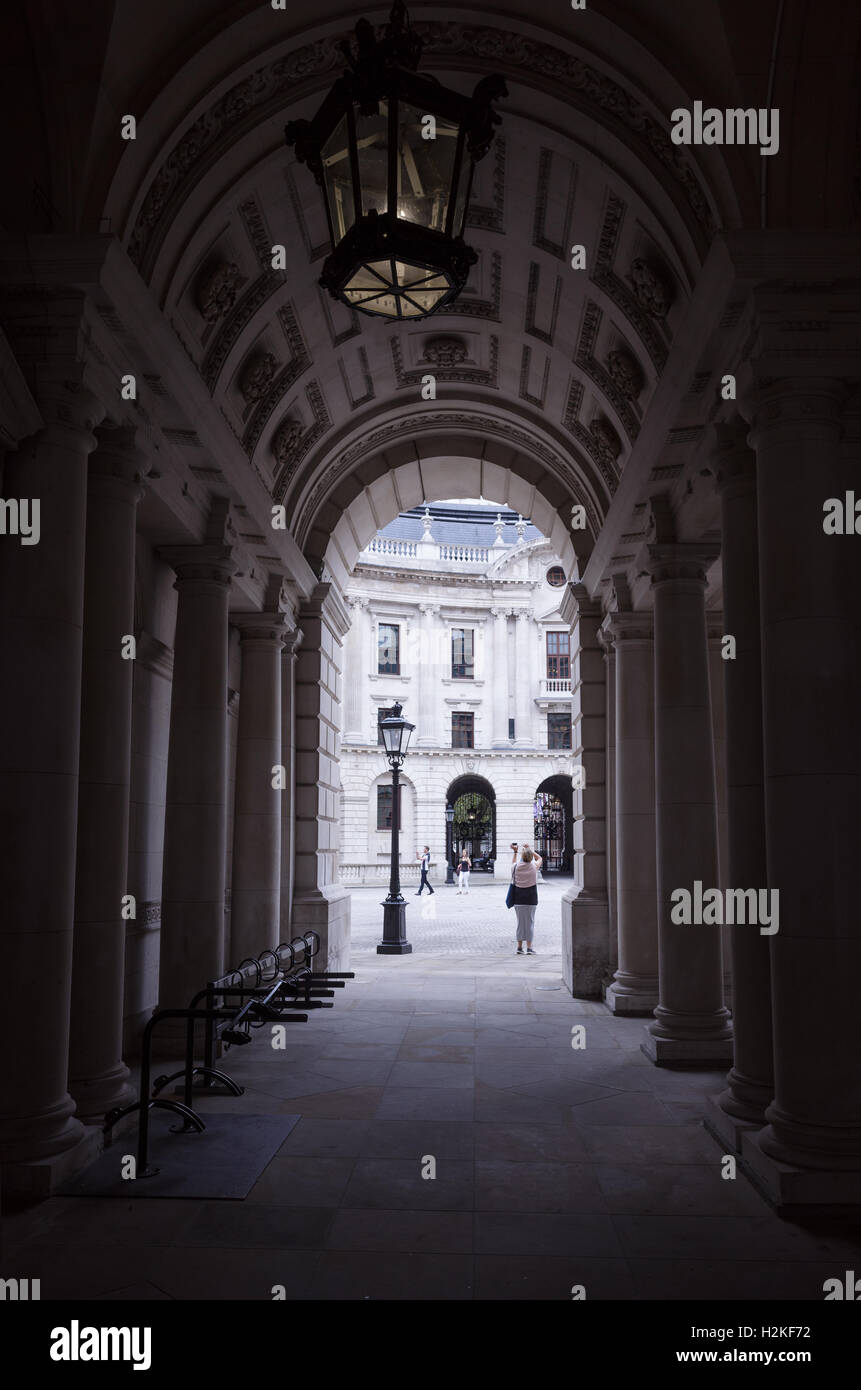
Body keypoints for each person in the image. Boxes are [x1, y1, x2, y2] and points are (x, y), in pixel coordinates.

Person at [510, 843, 542, 954]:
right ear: (530, 857)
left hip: (518, 898)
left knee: (520, 923)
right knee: (530, 923)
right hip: (531, 899)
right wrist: (530, 850)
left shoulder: (516, 867)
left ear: (522, 856)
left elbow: (513, 862)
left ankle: (519, 948)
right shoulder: (534, 866)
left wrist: (515, 851)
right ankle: (529, 948)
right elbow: (540, 858)